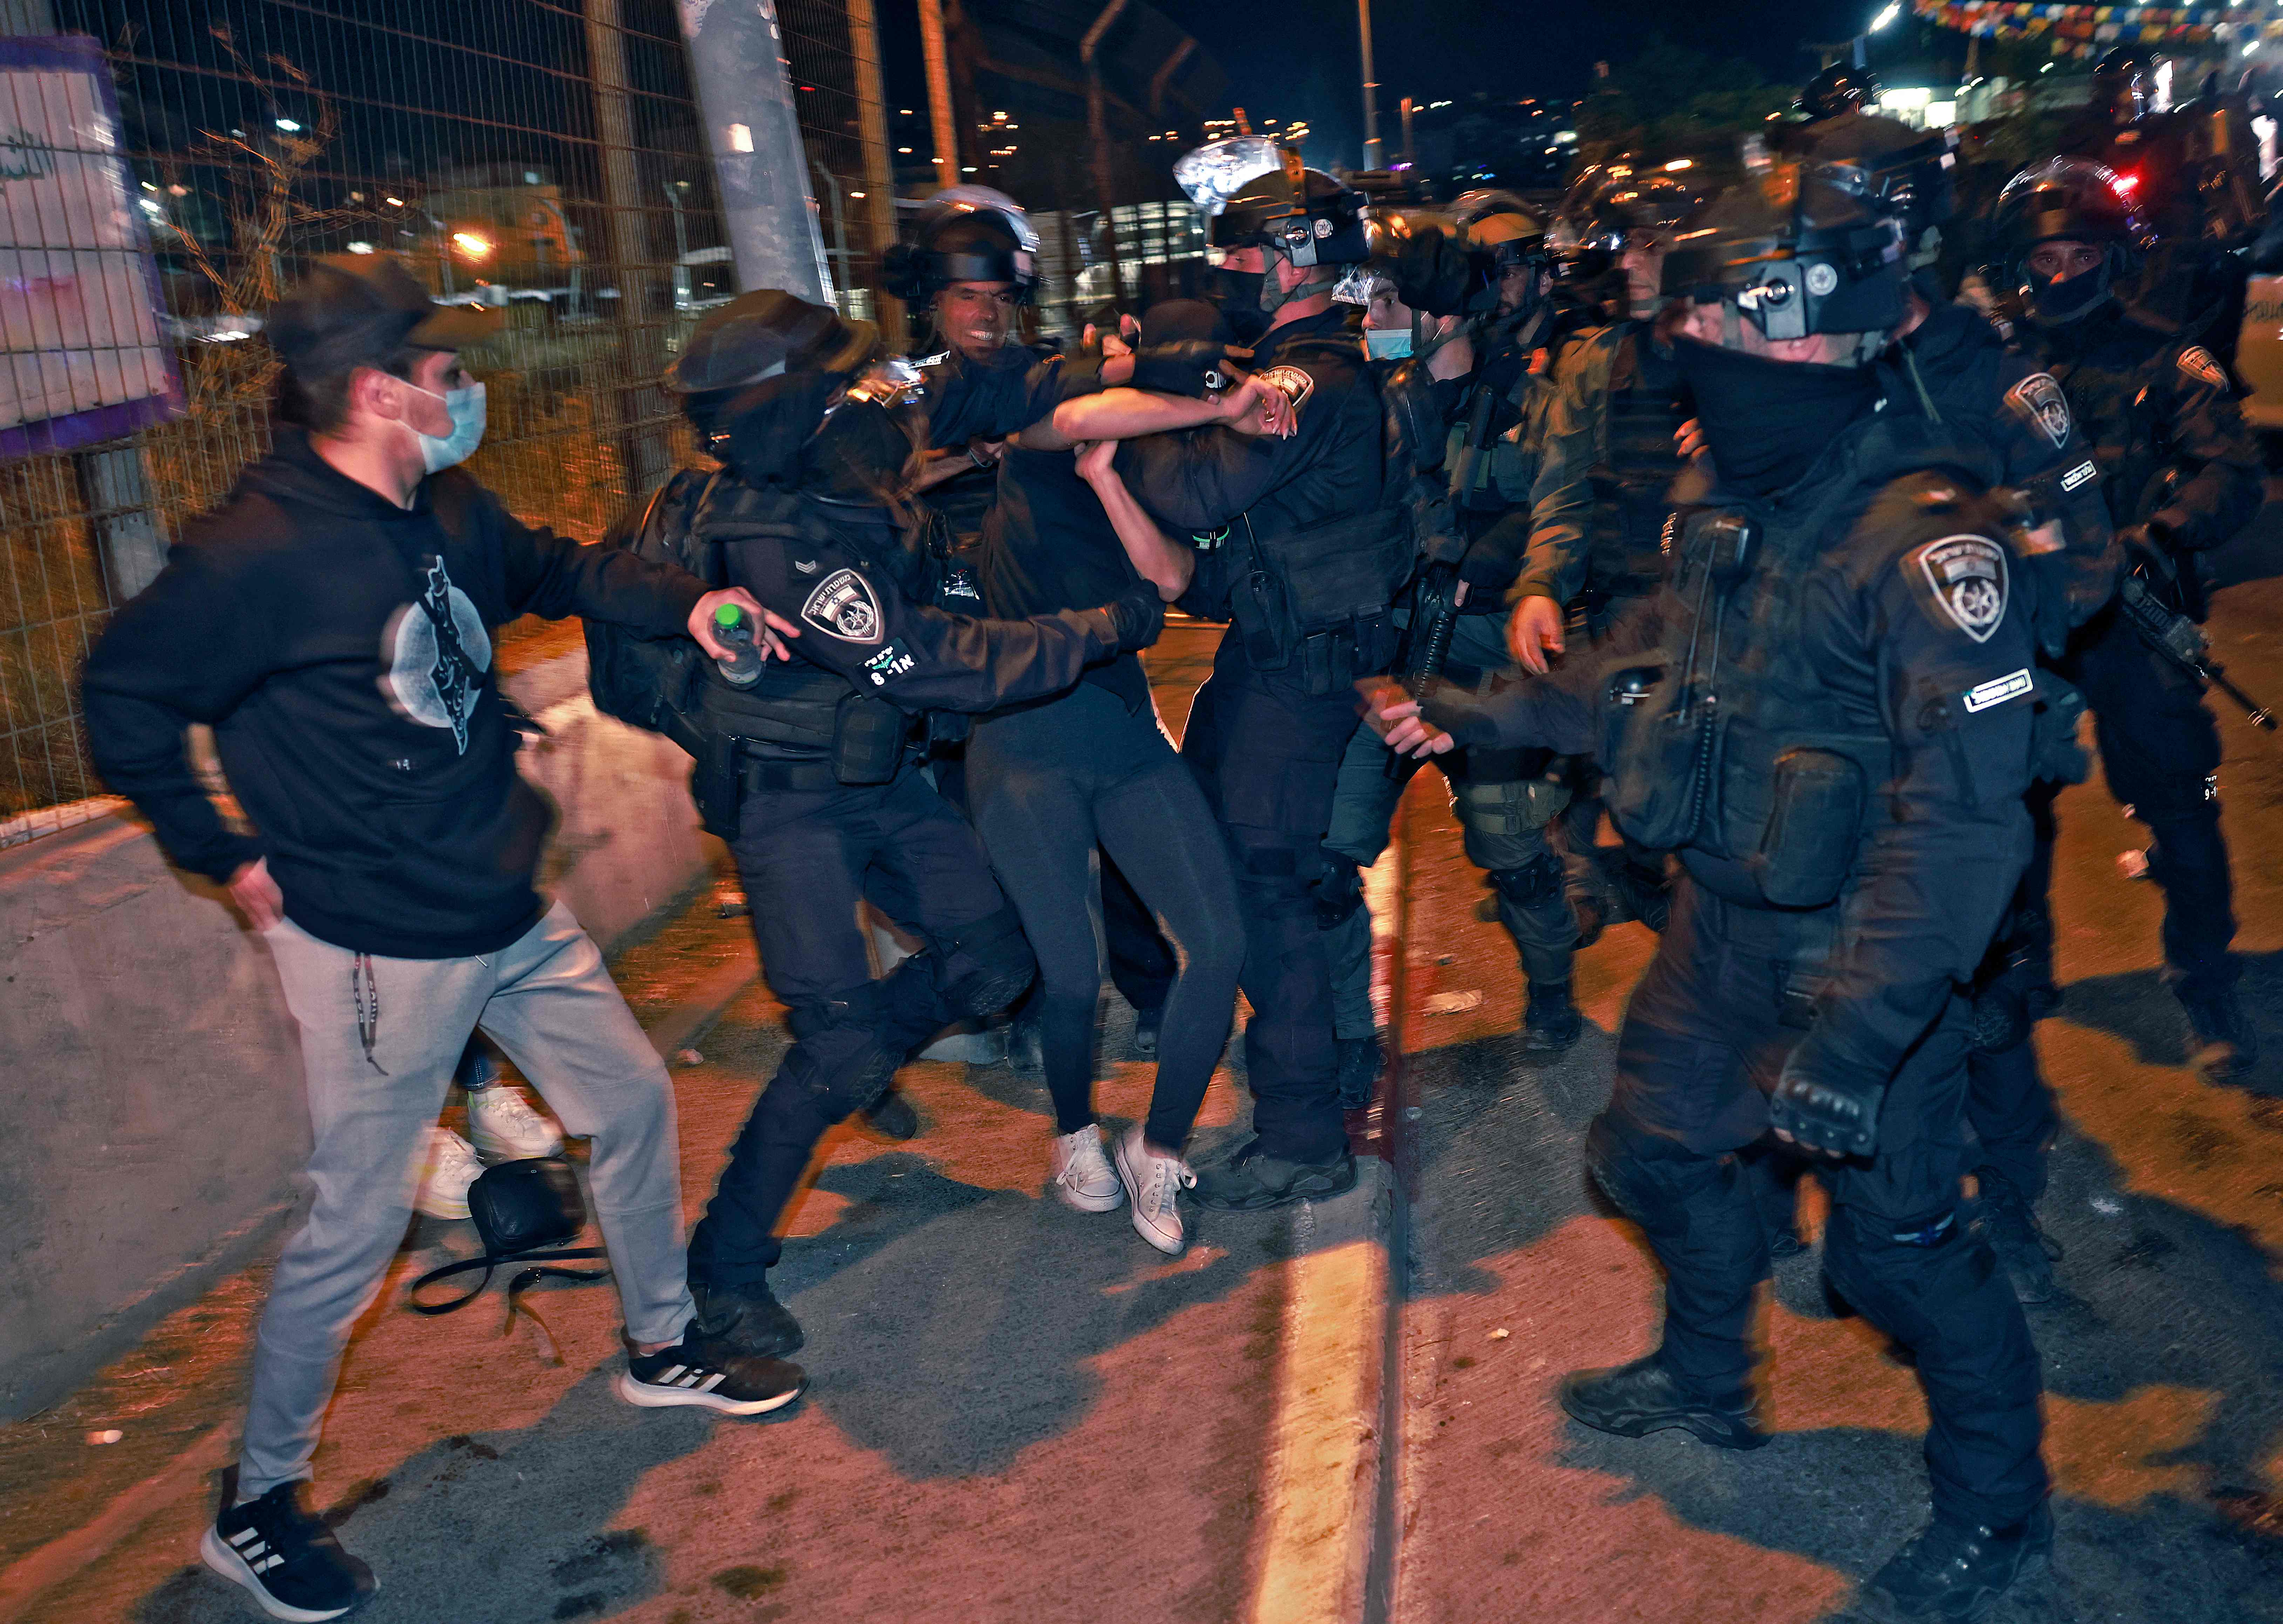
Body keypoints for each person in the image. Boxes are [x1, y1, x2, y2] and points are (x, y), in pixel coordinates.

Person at [79, 255, 806, 1623]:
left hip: (503, 901)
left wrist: (686, 603)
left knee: (633, 1105)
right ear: (376, 392)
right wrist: (218, 849)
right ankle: (257, 1500)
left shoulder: (441, 503)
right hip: (375, 942)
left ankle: (660, 1344)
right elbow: (121, 693)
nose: (467, 390)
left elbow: (554, 566)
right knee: (351, 1231)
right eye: (446, 372)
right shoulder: (258, 554)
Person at [1557, 163, 2059, 1620]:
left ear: (1799, 330)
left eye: (1719, 320)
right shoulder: (1745, 494)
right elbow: (1665, 672)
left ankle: (1996, 1512)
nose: (1694, 352)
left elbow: (1965, 827)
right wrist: (1482, 711)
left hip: (1858, 963)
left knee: (1897, 1261)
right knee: (1642, 1154)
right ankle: (1706, 1377)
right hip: (1720, 927)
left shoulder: (1925, 537)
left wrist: (1859, 1038)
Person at [652, 290, 1217, 1356]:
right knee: (841, 1044)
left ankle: (853, 1040)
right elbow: (929, 660)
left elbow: (978, 390)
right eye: (847, 384)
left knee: (997, 957)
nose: (875, 394)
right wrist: (1097, 629)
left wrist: (1106, 382)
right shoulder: (777, 540)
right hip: (793, 809)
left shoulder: (838, 488)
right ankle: (724, 1270)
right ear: (800, 414)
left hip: (880, 782)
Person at [885, 188, 1262, 1254]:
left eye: (1000, 296)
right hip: (1017, 741)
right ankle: (1073, 1136)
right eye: (965, 296)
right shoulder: (997, 422)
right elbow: (1075, 410)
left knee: (1218, 942)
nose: (985, 311)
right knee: (1070, 972)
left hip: (1119, 730)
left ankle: (1160, 1147)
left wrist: (1207, 412)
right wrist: (1214, 404)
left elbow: (1179, 559)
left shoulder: (1099, 462)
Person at [1111, 155, 1411, 1210]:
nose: (1226, 268)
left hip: (1297, 675)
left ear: (1296, 259)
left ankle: (1301, 1136)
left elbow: (1196, 490)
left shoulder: (1309, 382)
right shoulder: (1305, 368)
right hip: (1278, 654)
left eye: (1242, 250)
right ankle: (1320, 1081)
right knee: (1246, 876)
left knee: (1262, 890)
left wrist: (1141, 400)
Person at [1993, 157, 2264, 1085]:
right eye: (2046, 258)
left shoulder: (2166, 357)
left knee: (2181, 808)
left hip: (2131, 620)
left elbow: (2233, 474)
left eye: (2080, 254)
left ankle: (2206, 982)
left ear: (2111, 259)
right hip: (2025, 621)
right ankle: (2021, 966)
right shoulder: (1992, 370)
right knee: (2005, 808)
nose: (2062, 274)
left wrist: (2161, 534)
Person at [1317, 208, 1592, 1062]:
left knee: (1511, 846)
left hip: (1487, 660)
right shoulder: (1365, 407)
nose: (1372, 323)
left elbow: (1563, 515)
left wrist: (1529, 574)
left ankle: (1551, 990)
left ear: (1440, 313)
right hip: (1394, 652)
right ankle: (1352, 1036)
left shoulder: (1532, 401)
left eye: (1390, 303)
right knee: (1328, 852)